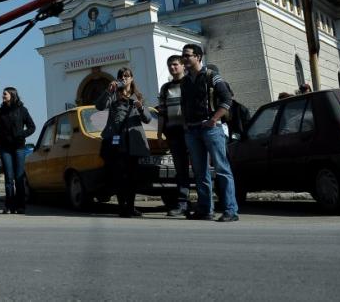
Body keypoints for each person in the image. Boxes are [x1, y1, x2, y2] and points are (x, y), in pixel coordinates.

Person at [180, 44, 239, 222]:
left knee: (222, 169)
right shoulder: (184, 81)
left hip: (211, 129)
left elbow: (227, 98)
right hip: (192, 130)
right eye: (183, 55)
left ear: (198, 57)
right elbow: (183, 104)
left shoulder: (211, 76)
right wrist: (185, 123)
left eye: (187, 55)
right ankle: (206, 209)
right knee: (200, 172)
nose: (184, 59)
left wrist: (214, 119)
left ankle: (231, 210)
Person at [95, 66, 152, 218]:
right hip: (116, 141)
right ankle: (122, 207)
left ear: (132, 78)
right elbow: (99, 106)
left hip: (133, 141)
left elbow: (147, 118)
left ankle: (131, 207)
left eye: (127, 76)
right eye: (121, 76)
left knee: (133, 176)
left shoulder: (138, 96)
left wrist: (140, 107)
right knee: (119, 176)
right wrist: (109, 90)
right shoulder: (114, 94)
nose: (124, 78)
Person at [157, 55, 191, 216]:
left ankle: (205, 204)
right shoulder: (165, 88)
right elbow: (161, 113)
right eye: (170, 65)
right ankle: (183, 204)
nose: (172, 68)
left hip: (192, 131)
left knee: (200, 168)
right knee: (181, 170)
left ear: (183, 66)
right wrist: (159, 133)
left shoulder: (191, 83)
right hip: (174, 133)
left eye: (175, 64)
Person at [0, 87, 36, 214]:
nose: (3, 95)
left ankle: (20, 206)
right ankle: (9, 206)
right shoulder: (1, 111)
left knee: (19, 178)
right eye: (3, 93)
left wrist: (21, 134)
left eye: (5, 93)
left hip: (19, 148)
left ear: (12, 95)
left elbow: (32, 127)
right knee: (8, 178)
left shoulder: (22, 110)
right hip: (5, 148)